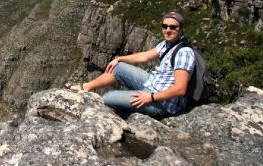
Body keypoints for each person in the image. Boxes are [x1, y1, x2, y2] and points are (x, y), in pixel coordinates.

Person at [67, 11, 195, 117]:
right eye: (165, 26)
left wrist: (151, 97)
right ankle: (86, 87)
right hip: (153, 84)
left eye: (173, 27)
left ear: (181, 29)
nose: (168, 30)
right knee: (118, 67)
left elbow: (180, 89)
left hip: (161, 103)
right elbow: (144, 56)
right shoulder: (167, 44)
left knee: (107, 98)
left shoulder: (184, 53)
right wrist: (120, 58)